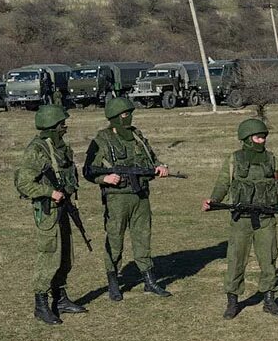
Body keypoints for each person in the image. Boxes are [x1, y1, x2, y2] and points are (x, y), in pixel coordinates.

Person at [203, 118, 278, 318]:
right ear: (246, 139)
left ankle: (269, 300)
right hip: (241, 219)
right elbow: (222, 183)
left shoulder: (272, 159)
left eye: (263, 137)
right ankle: (232, 302)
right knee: (236, 259)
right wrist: (213, 200)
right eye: (257, 137)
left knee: (268, 258)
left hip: (265, 219)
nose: (261, 141)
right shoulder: (234, 159)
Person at [84, 97, 172, 301]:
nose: (129, 118)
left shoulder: (137, 136)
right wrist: (104, 178)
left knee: (143, 238)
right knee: (115, 240)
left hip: (140, 196)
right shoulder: (102, 139)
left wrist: (160, 166)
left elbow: (151, 158)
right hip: (117, 199)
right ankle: (113, 282)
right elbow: (88, 170)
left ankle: (149, 281)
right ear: (114, 117)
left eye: (130, 114)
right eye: (125, 115)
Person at [14, 104, 86, 324]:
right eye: (62, 124)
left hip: (64, 208)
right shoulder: (37, 150)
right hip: (48, 212)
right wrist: (49, 192)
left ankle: (60, 298)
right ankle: (41, 304)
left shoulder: (60, 147)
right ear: (52, 125)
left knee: (66, 256)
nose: (65, 127)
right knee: (49, 256)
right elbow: (23, 183)